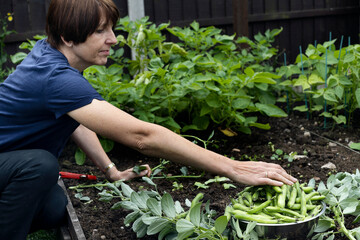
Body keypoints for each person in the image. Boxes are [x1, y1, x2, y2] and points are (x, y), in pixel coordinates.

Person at [0, 0, 297, 239]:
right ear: (68, 36)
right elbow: (143, 137)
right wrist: (232, 167)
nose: (113, 39)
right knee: (40, 166)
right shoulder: (56, 78)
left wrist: (110, 170)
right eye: (101, 31)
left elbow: (75, 119)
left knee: (53, 207)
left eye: (112, 29)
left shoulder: (52, 55)